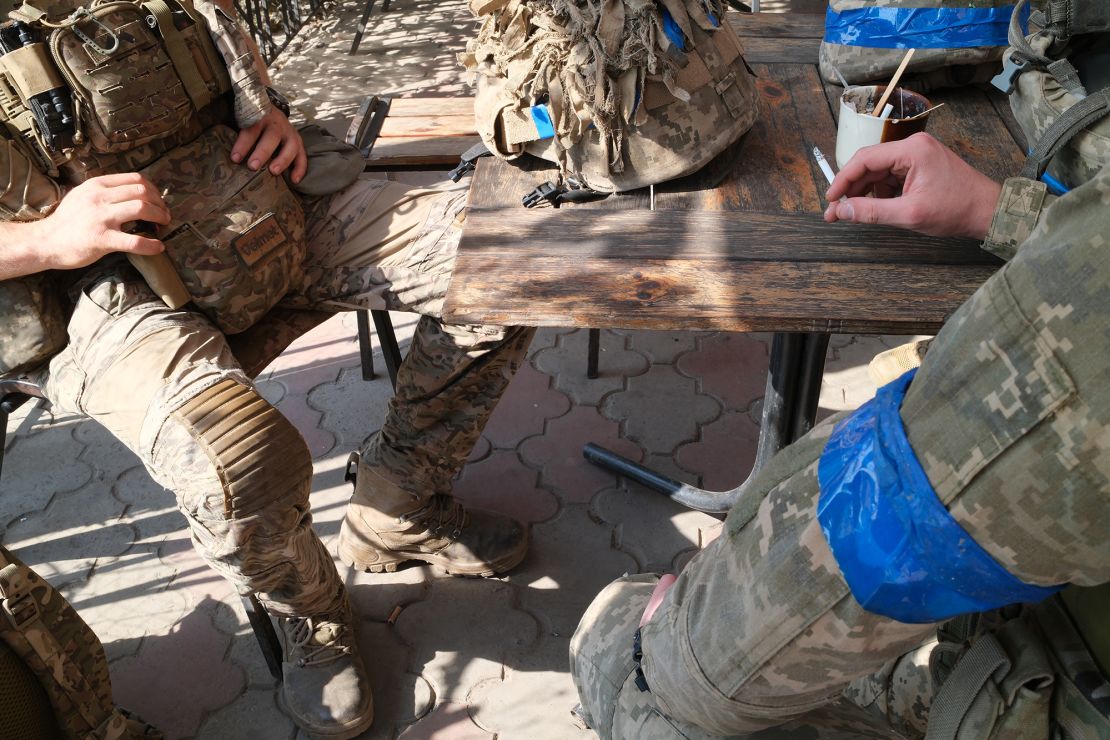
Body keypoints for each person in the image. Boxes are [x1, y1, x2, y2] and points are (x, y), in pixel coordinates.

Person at [0, 0, 532, 736]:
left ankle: (397, 504)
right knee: (235, 454)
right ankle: (310, 615)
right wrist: (45, 241)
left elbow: (215, 50)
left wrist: (270, 115)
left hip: (250, 201)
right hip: (99, 285)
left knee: (507, 269)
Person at [568, 127, 1110, 737]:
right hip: (1045, 618)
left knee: (621, 645)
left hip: (1043, 683)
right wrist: (999, 209)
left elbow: (919, 502)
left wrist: (670, 654)